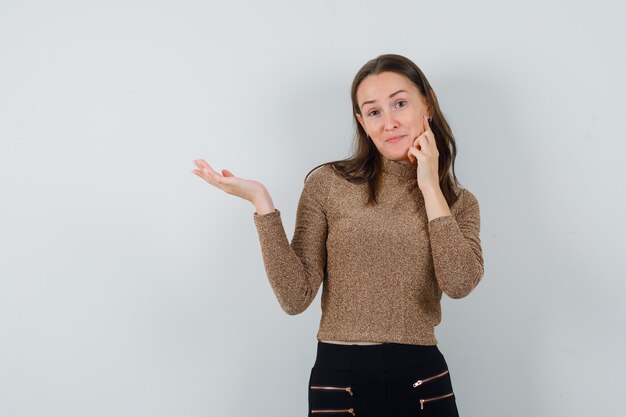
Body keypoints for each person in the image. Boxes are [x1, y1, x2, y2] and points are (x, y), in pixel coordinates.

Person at [191, 53, 484, 417]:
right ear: (362, 122)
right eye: (374, 112)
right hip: (340, 379)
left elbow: (459, 283)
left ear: (428, 104)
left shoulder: (458, 202)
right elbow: (295, 297)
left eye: (400, 103)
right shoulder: (328, 185)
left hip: (421, 378)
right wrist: (261, 202)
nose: (389, 122)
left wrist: (429, 186)